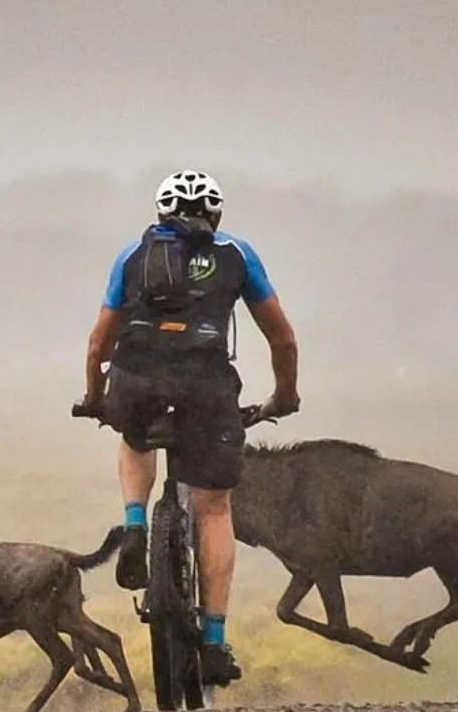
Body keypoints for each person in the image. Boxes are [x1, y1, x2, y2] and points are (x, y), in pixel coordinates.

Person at [76, 170, 300, 685]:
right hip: (207, 386)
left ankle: (135, 525)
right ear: (216, 215)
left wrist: (95, 397)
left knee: (133, 438)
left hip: (135, 381)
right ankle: (216, 643)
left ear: (159, 214)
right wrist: (284, 396)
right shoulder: (237, 255)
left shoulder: (133, 256)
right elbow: (283, 340)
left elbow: (97, 345)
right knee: (214, 505)